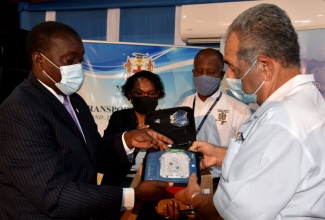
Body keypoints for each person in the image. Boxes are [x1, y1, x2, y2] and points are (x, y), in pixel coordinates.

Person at [162, 3, 325, 220]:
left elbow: (236, 213)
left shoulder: (282, 121)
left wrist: (194, 199)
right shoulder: (306, 102)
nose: (229, 77)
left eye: (234, 68)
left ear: (265, 67)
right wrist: (221, 155)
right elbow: (270, 164)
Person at [0, 21, 175, 219]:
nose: (77, 67)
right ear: (40, 60)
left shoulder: (75, 101)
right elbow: (55, 196)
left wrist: (128, 140)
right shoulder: (19, 110)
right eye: (69, 60)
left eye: (80, 60)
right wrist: (133, 195)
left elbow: (91, 153)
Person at [174, 48, 251, 183]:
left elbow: (247, 154)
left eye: (210, 72)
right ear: (193, 72)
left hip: (221, 182)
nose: (204, 76)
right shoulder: (179, 107)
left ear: (221, 75)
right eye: (199, 71)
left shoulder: (240, 110)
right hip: (184, 180)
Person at [100, 70, 166, 186]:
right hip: (119, 181)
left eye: (151, 93)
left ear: (158, 94)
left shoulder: (165, 121)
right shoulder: (119, 118)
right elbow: (105, 154)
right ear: (130, 94)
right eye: (139, 93)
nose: (145, 97)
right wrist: (131, 144)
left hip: (152, 183)